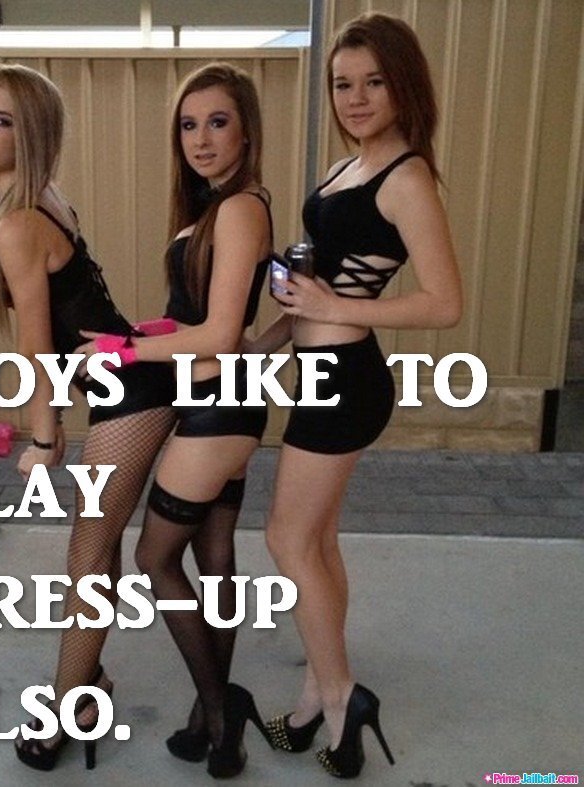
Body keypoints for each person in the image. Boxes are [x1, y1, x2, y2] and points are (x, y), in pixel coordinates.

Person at [253, 13, 463, 779]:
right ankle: (318, 689)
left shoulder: (405, 176)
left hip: (346, 382)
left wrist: (333, 306)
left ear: (404, 85)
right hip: (317, 370)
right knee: (318, 541)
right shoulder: (351, 165)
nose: (356, 97)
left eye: (374, 81)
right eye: (343, 84)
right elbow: (321, 285)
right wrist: (265, 341)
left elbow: (444, 303)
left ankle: (342, 697)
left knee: (287, 539)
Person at [0, 63, 177, 772]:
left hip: (134, 392)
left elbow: (35, 344)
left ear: (31, 137)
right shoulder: (36, 200)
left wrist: (44, 436)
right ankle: (88, 688)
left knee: (86, 555)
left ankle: (66, 706)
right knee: (97, 549)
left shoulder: (17, 222)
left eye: (1, 120)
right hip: (124, 379)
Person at [77, 62, 273, 778]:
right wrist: (143, 332)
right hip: (220, 400)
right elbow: (205, 319)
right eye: (189, 125)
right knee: (213, 557)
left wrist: (124, 350)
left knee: (154, 559)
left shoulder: (241, 208)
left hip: (220, 406)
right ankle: (210, 715)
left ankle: (222, 710)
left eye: (218, 122)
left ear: (247, 131)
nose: (201, 139)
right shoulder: (220, 207)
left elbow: (219, 334)